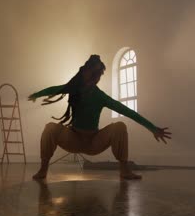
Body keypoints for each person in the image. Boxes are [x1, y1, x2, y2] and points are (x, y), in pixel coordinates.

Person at [28, 55, 172, 179]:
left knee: (119, 127)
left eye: (97, 76)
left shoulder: (99, 96)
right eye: (92, 74)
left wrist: (152, 128)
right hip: (73, 139)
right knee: (50, 128)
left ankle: (124, 170)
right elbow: (55, 89)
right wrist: (36, 95)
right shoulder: (74, 88)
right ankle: (43, 169)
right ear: (84, 72)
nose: (94, 79)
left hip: (94, 142)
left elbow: (127, 111)